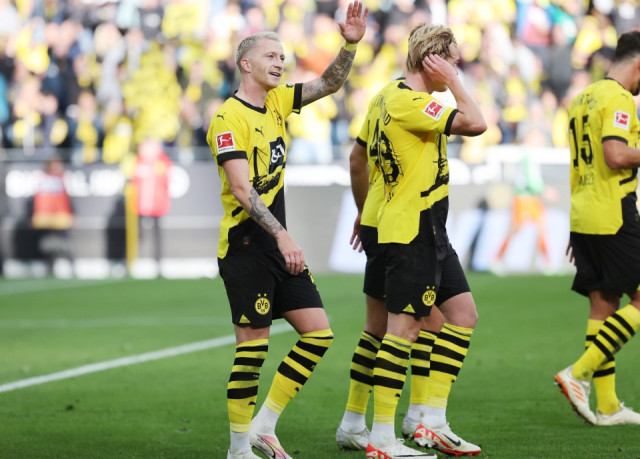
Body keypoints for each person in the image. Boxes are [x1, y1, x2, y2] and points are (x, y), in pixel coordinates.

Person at [205, 3, 368, 458]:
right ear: (246, 64)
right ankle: (239, 449)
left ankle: (265, 425)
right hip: (245, 246)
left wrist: (350, 44)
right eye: (271, 56)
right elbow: (241, 189)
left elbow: (329, 83)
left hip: (278, 244)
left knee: (318, 334)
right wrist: (281, 235)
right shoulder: (227, 119)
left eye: (283, 56)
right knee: (252, 350)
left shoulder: (277, 101)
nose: (281, 62)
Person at [343, 24, 486, 459]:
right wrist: (455, 82)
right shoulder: (412, 102)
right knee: (403, 330)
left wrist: (366, 210)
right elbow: (477, 122)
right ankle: (383, 438)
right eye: (452, 61)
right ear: (434, 60)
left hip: (409, 225)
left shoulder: (384, 95)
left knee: (461, 315)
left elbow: (357, 157)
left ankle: (429, 421)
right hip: (411, 230)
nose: (456, 67)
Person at [554, 30, 640, 426]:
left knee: (603, 305)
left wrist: (579, 229)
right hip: (613, 213)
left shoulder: (582, 97)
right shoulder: (618, 98)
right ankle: (579, 373)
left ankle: (606, 406)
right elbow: (615, 154)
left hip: (585, 214)